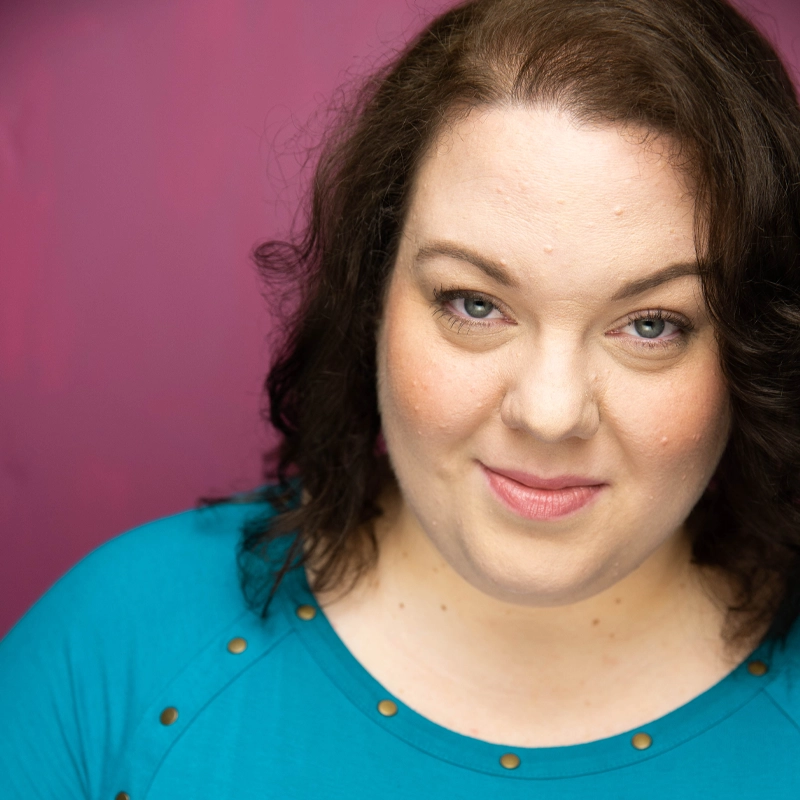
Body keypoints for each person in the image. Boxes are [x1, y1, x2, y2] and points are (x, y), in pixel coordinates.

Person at [3, 0, 800, 796]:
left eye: (651, 324)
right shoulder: (121, 648)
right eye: (475, 305)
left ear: (755, 345)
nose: (551, 413)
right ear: (373, 301)